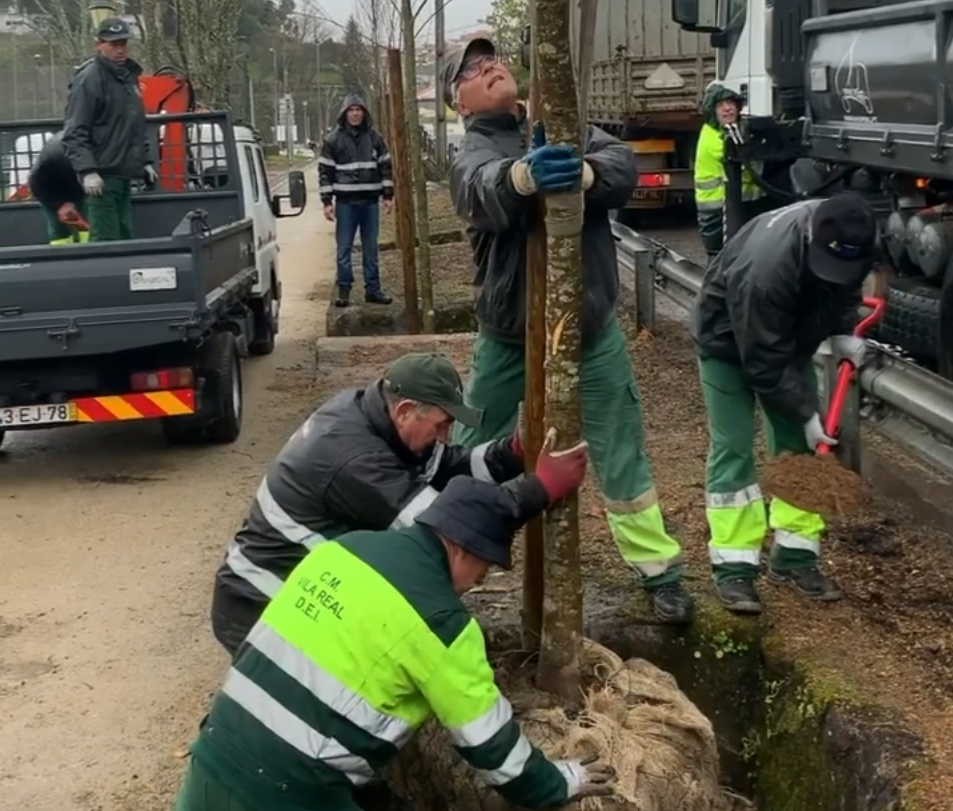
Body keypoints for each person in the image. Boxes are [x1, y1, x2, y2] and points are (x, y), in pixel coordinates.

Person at [442, 38, 694, 624]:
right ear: (460, 102)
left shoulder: (563, 123)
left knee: (621, 448)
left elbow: (622, 167)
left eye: (493, 59)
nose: (491, 68)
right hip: (510, 339)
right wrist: (523, 178)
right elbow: (483, 188)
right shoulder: (469, 152)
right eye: (474, 70)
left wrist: (584, 170)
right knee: (470, 454)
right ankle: (442, 567)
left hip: (591, 329)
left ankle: (660, 571)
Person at [177, 476, 614, 811]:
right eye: (485, 565)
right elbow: (490, 745)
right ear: (463, 549)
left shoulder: (342, 551)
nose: (481, 580)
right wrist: (559, 782)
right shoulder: (443, 623)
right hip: (291, 788)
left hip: (215, 751)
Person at [212, 351, 589, 655]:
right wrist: (540, 489)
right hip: (262, 604)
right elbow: (451, 528)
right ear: (406, 409)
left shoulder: (375, 418)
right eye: (441, 424)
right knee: (328, 705)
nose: (444, 436)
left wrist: (511, 451)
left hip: (299, 591)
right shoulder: (358, 462)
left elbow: (450, 468)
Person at [693, 193, 877, 613]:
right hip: (728, 342)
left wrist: (843, 330)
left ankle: (795, 557)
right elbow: (762, 363)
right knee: (734, 447)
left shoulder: (855, 231)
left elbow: (845, 285)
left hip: (787, 340)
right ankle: (734, 567)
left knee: (801, 448)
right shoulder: (767, 269)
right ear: (811, 238)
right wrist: (806, 412)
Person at [61, 17, 156, 242]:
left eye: (123, 43)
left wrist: (146, 160)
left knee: (123, 236)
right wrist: (87, 171)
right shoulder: (90, 79)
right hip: (102, 176)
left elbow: (135, 125)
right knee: (106, 240)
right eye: (114, 44)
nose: (120, 49)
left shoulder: (127, 79)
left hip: (122, 174)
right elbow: (75, 130)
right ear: (99, 45)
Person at [319, 94, 394, 307]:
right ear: (344, 113)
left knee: (371, 249)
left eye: (358, 109)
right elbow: (325, 172)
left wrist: (388, 196)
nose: (355, 113)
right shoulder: (333, 140)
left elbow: (385, 167)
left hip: (370, 203)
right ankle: (344, 291)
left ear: (364, 112)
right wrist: (327, 202)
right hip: (346, 204)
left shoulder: (375, 138)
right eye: (351, 110)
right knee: (344, 249)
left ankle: (373, 290)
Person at [693, 83, 763, 260]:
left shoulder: (727, 130)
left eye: (731, 104)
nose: (727, 109)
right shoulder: (715, 137)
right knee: (723, 258)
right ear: (713, 111)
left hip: (735, 205)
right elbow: (739, 156)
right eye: (721, 105)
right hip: (719, 210)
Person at [28, 133, 91, 245]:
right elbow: (37, 185)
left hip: (76, 187)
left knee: (84, 222)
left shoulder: (79, 147)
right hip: (51, 191)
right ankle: (63, 251)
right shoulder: (50, 161)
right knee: (58, 226)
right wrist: (59, 205)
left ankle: (87, 248)